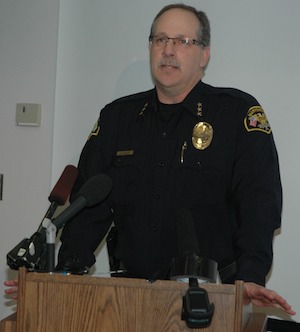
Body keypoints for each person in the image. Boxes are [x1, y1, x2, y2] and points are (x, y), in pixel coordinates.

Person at [5, 3, 295, 315]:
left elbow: (259, 205)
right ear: (150, 48)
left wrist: (249, 278)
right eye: (160, 40)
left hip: (212, 301)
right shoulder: (118, 118)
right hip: (129, 300)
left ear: (204, 54)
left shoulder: (235, 114)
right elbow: (88, 210)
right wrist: (61, 279)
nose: (169, 50)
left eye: (183, 41)